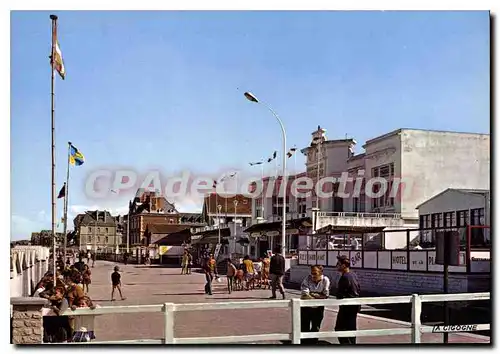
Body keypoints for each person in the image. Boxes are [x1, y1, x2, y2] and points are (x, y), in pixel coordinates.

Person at [300, 265, 330, 344]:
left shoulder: (325, 280)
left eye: (315, 273)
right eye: (312, 273)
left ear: (320, 273)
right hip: (306, 307)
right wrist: (318, 296)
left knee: (316, 326)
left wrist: (313, 294)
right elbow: (305, 293)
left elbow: (326, 295)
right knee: (304, 326)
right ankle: (304, 344)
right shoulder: (307, 278)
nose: (312, 275)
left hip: (318, 308)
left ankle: (313, 344)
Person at [335, 255, 361, 345]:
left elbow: (340, 293)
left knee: (339, 328)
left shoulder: (345, 277)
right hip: (354, 305)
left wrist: (339, 297)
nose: (336, 265)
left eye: (338, 264)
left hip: (347, 306)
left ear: (344, 265)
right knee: (351, 328)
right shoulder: (353, 274)